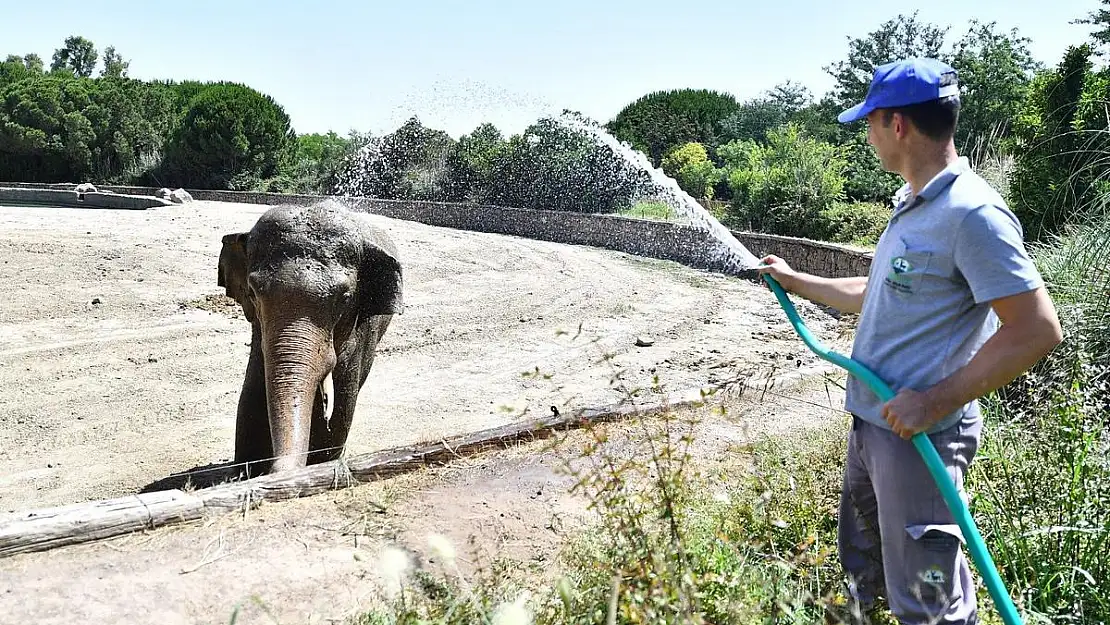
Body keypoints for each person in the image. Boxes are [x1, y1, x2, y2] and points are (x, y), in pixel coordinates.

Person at [758, 57, 1063, 624]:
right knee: (866, 570)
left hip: (918, 440)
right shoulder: (914, 203)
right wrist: (796, 280)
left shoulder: (973, 214)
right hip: (873, 425)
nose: (868, 137)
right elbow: (875, 288)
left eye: (870, 123)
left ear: (896, 124)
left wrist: (933, 401)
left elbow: (1037, 329)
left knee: (929, 604)